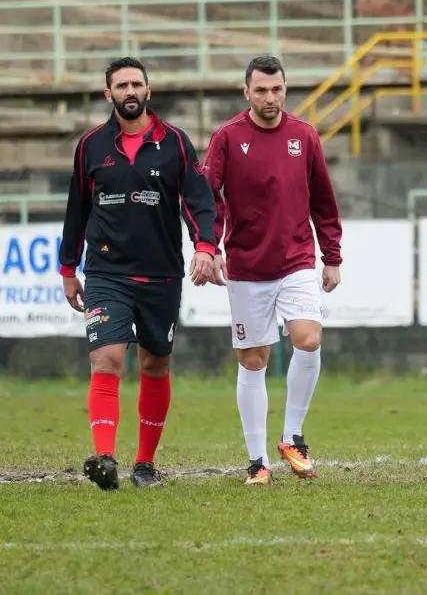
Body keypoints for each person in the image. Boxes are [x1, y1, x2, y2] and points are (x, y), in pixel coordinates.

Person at [58, 56, 219, 491]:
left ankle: (144, 464)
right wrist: (68, 268)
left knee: (155, 365)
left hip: (161, 274)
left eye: (137, 84)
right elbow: (77, 210)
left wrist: (205, 246)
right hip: (107, 272)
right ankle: (105, 457)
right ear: (108, 94)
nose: (131, 91)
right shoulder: (90, 146)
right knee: (107, 359)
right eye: (122, 85)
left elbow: (199, 202)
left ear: (148, 91)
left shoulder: (176, 143)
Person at [201, 55, 344, 487]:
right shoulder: (227, 137)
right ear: (246, 92)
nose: (270, 97)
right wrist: (210, 247)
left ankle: (292, 437)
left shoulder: (304, 135)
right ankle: (257, 461)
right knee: (253, 360)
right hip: (246, 266)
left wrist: (331, 255)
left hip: (297, 259)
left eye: (277, 89)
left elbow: (323, 199)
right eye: (261, 90)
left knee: (309, 338)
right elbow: (210, 198)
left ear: (286, 89)